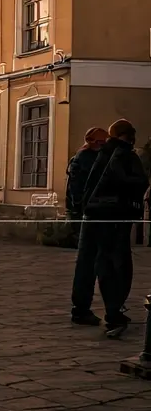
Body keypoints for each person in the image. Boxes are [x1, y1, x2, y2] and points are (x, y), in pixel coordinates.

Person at [75, 119, 148, 338]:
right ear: (129, 135)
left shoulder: (100, 153)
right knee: (115, 264)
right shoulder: (123, 154)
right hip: (114, 216)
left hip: (93, 213)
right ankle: (113, 312)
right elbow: (133, 182)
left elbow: (85, 186)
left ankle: (85, 309)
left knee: (91, 262)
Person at [69, 127, 110, 325]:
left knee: (92, 261)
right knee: (87, 262)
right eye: (99, 143)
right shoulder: (84, 158)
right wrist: (81, 210)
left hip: (93, 213)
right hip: (90, 215)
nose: (102, 146)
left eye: (105, 143)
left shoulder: (93, 157)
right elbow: (77, 189)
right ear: (90, 141)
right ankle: (81, 308)